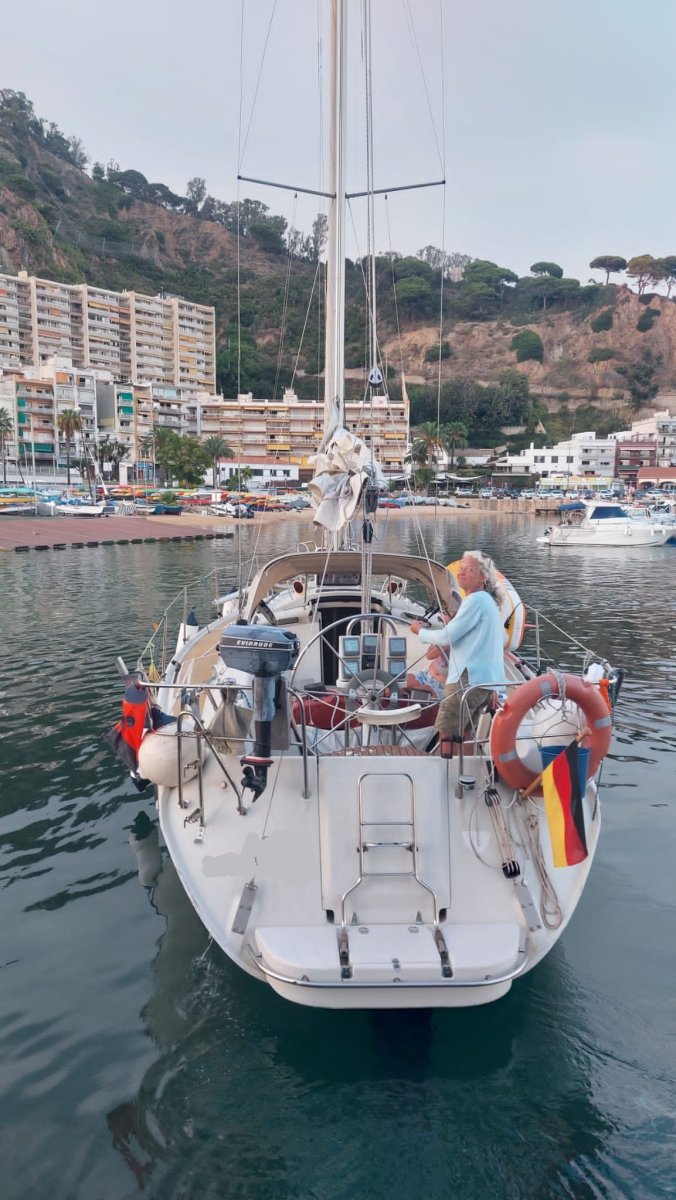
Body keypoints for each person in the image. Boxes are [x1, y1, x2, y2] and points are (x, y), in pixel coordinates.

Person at [409, 550, 505, 755]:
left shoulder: (475, 601)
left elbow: (446, 637)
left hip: (466, 678)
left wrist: (420, 632)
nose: (461, 573)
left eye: (469, 570)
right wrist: (494, 686)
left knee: (446, 732)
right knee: (465, 733)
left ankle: (446, 775)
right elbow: (495, 646)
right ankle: (465, 778)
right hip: (483, 680)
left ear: (483, 577)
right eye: (461, 569)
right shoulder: (488, 602)